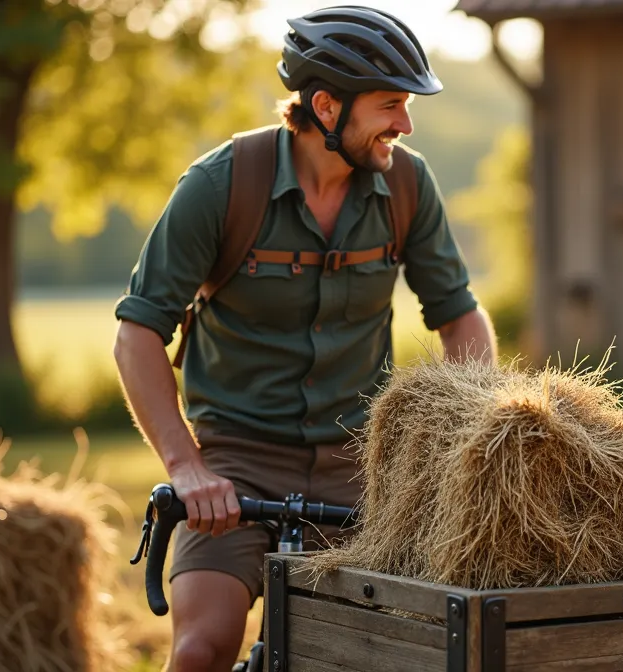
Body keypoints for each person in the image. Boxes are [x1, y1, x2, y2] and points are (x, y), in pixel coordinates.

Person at [112, 6, 497, 671]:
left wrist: (465, 429)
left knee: (376, 656)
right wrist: (187, 468)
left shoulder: (407, 184)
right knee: (202, 649)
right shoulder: (220, 185)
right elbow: (138, 332)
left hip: (363, 472)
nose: (404, 126)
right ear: (325, 106)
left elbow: (459, 316)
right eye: (389, 106)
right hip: (233, 469)